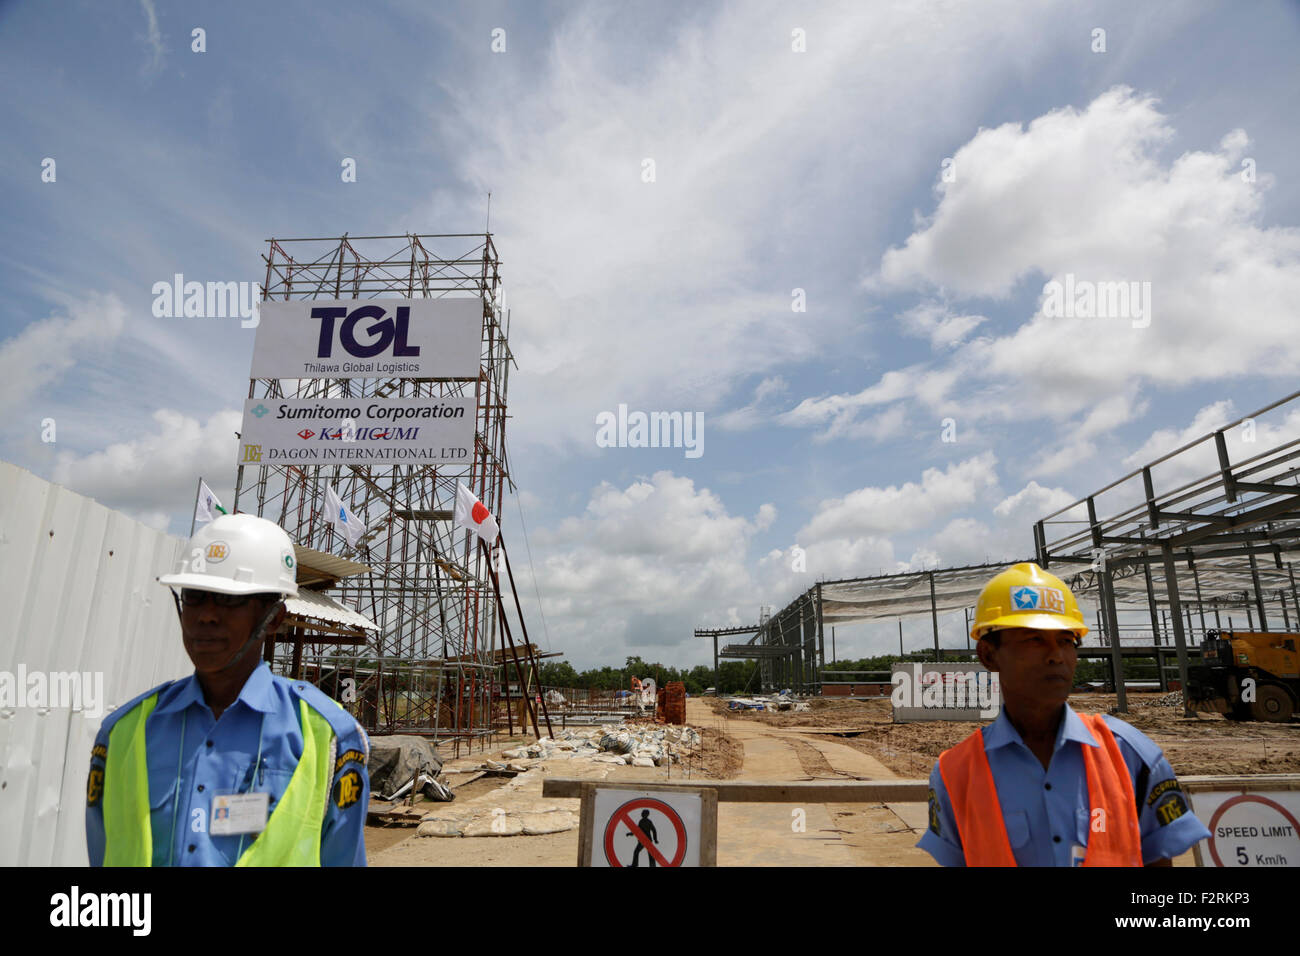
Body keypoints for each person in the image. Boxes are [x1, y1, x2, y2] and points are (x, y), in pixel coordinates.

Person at [86, 513, 370, 866]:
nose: (206, 615)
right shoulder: (123, 732)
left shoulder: (328, 737)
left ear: (275, 618)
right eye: (195, 596)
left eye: (228, 599)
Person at [917, 562, 1210, 867]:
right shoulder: (954, 774)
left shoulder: (1130, 756)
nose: (1056, 655)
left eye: (1066, 641)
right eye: (1035, 639)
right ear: (989, 655)